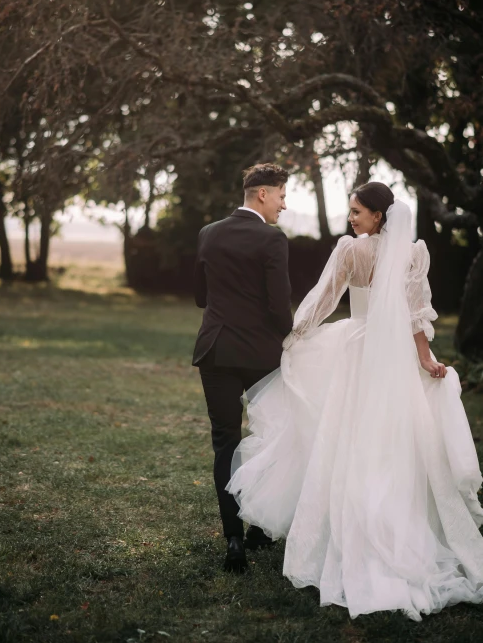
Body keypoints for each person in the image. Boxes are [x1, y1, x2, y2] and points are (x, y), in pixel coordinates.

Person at [227, 182, 483, 620]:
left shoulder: (352, 251)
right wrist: (423, 357)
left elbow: (326, 299)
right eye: (350, 211)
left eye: (358, 212)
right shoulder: (413, 252)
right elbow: (417, 313)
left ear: (378, 216)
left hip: (362, 349)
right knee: (383, 440)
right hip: (397, 353)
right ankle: (380, 522)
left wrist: (296, 333)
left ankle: (369, 529)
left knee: (362, 439)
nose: (351, 218)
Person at [193, 163, 293, 572]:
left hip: (216, 351)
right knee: (270, 438)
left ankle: (234, 540)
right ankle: (258, 529)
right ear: (263, 194)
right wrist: (285, 334)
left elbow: (201, 297)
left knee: (225, 442)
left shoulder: (208, 233)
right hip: (260, 356)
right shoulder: (272, 240)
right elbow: (279, 308)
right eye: (282, 196)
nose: (284, 206)